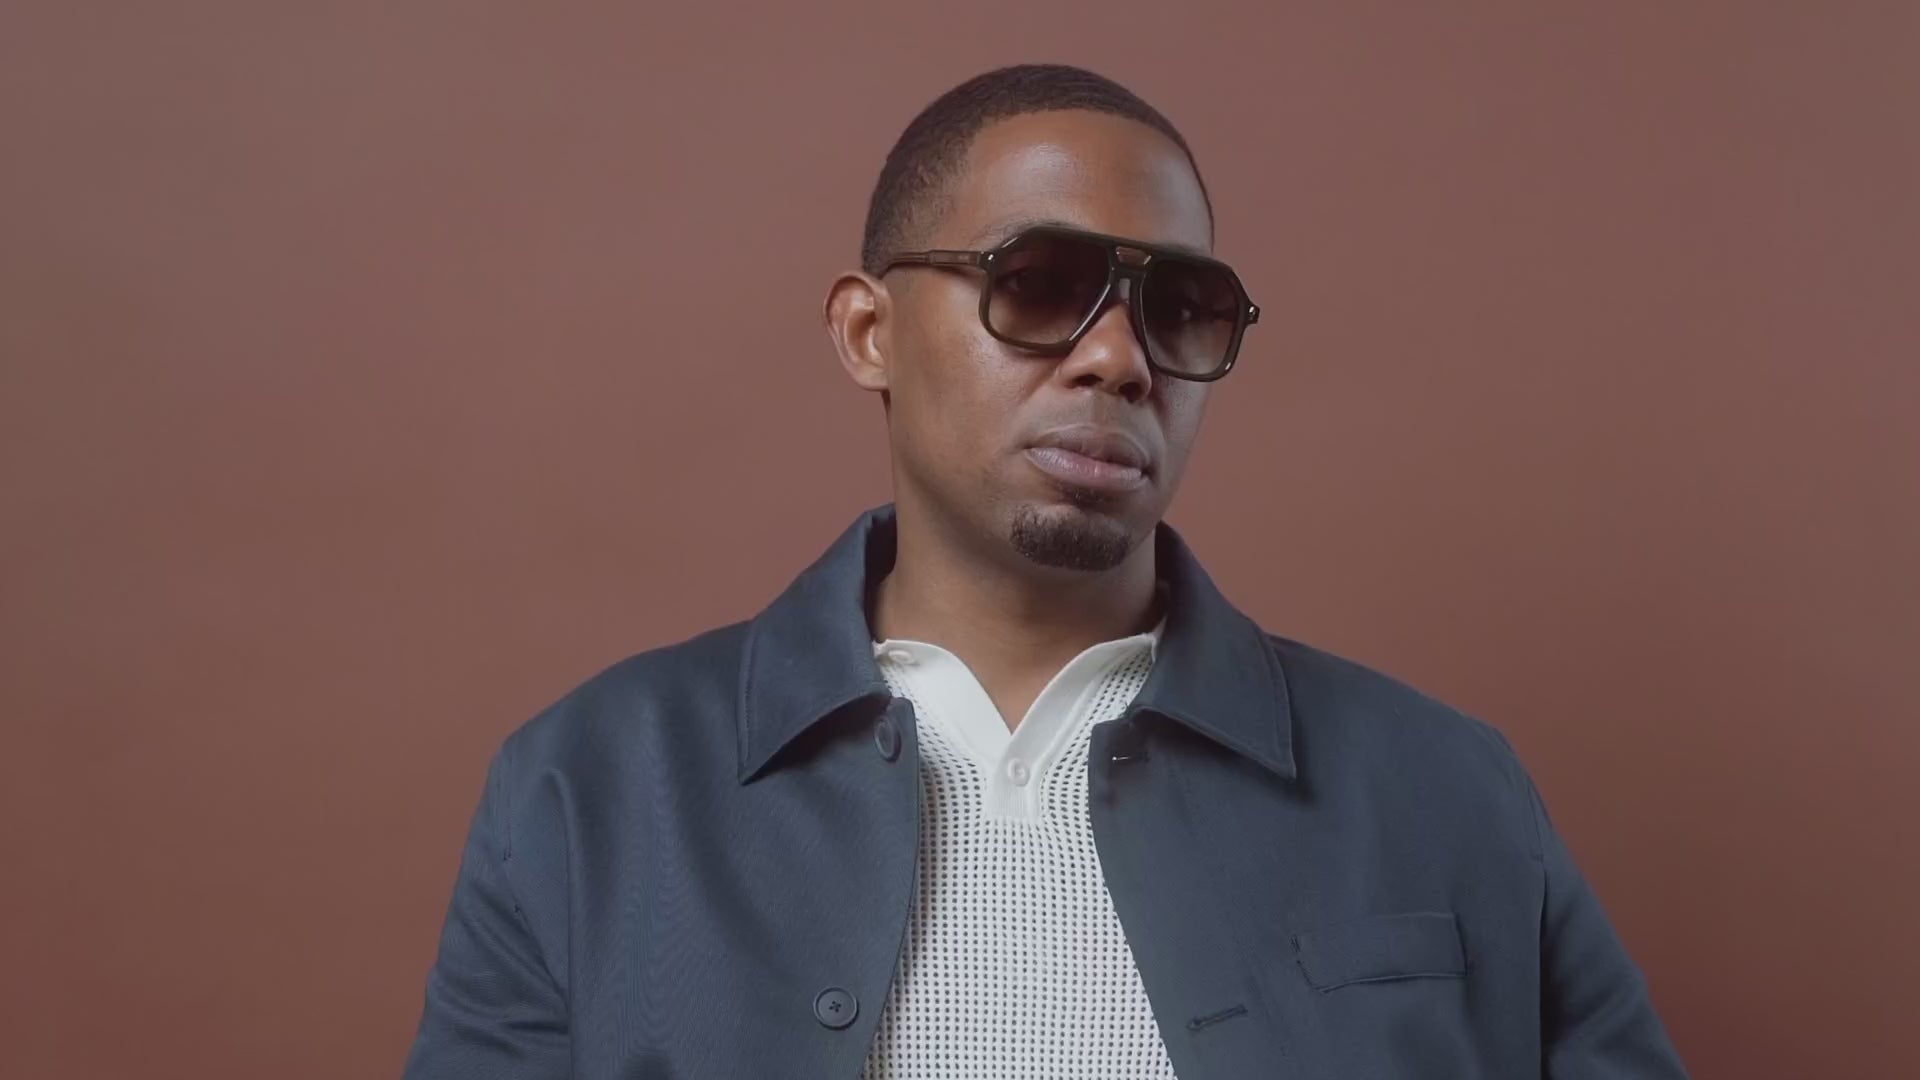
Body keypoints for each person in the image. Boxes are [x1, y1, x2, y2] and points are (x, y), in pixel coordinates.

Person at [402, 64, 1688, 1079]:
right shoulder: (591, 790)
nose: (1119, 359)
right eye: (1038, 284)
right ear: (869, 331)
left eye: (1179, 308)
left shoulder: (1446, 790)